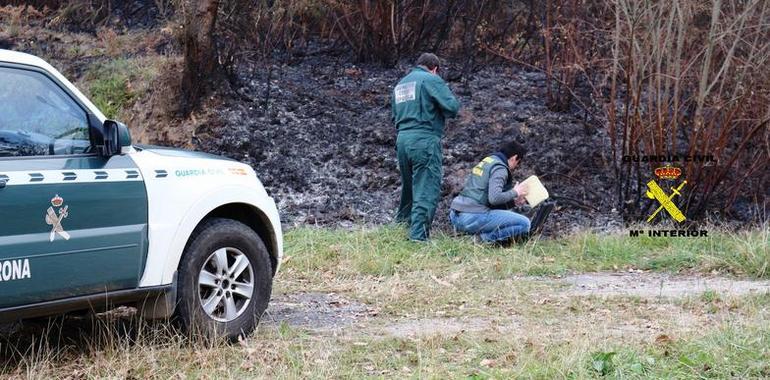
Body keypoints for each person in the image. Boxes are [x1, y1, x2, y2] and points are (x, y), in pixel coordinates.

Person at [392, 52, 460, 241]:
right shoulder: (431, 80)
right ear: (435, 69)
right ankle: (418, 237)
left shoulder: (401, 84)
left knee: (409, 188)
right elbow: (452, 107)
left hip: (402, 139)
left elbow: (393, 116)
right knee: (426, 188)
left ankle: (401, 228)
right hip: (424, 139)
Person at [449, 140, 532, 243]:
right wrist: (515, 192)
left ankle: (468, 235)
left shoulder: (487, 161)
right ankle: (477, 240)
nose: (516, 167)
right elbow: (494, 199)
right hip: (471, 218)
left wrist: (513, 202)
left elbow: (486, 199)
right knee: (524, 224)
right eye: (518, 163)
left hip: (455, 216)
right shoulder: (500, 169)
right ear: (514, 158)